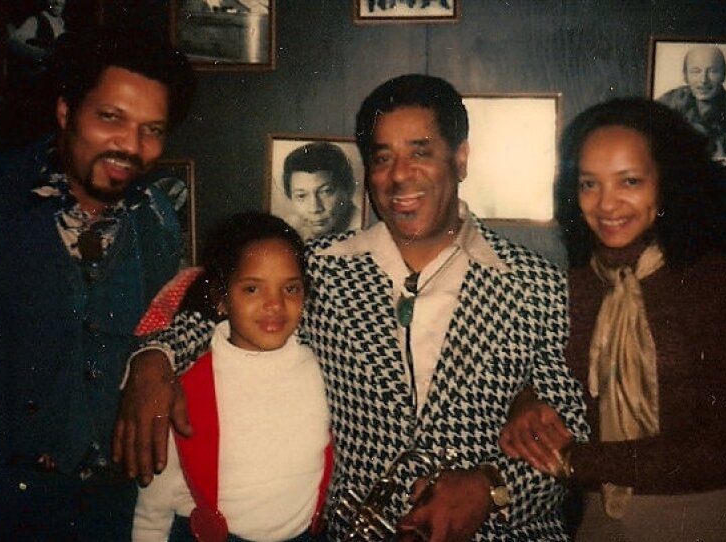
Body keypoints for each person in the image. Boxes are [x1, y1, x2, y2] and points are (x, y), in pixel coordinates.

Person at [115, 74, 589, 541]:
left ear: (460, 159)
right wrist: (156, 357)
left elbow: (571, 437)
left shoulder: (536, 283)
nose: (400, 174)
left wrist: (493, 491)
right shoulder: (319, 267)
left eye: (420, 152)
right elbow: (218, 311)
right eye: (383, 157)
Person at [498, 97, 726, 540]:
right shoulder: (575, 284)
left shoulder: (712, 281)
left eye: (629, 181)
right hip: (604, 522)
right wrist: (525, 404)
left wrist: (578, 461)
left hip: (715, 516)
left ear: (666, 184)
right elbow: (547, 378)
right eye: (589, 184)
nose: (607, 204)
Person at [0, 27, 196, 541]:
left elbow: (177, 312)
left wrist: (155, 356)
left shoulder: (157, 217)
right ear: (65, 112)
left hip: (111, 513)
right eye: (110, 118)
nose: (130, 146)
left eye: (152, 129)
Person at [132, 212, 331, 542]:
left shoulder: (320, 365)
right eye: (252, 289)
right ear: (220, 299)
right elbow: (153, 507)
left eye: (290, 288)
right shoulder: (188, 381)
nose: (275, 305)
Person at [657, 45, 726, 160]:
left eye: (713, 71)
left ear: (724, 74)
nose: (703, 80)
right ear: (685, 75)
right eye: (695, 71)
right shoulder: (666, 104)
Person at [282, 141, 359, 240]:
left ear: (348, 189)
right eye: (301, 196)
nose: (315, 208)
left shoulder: (366, 229)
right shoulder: (287, 231)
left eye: (325, 192)